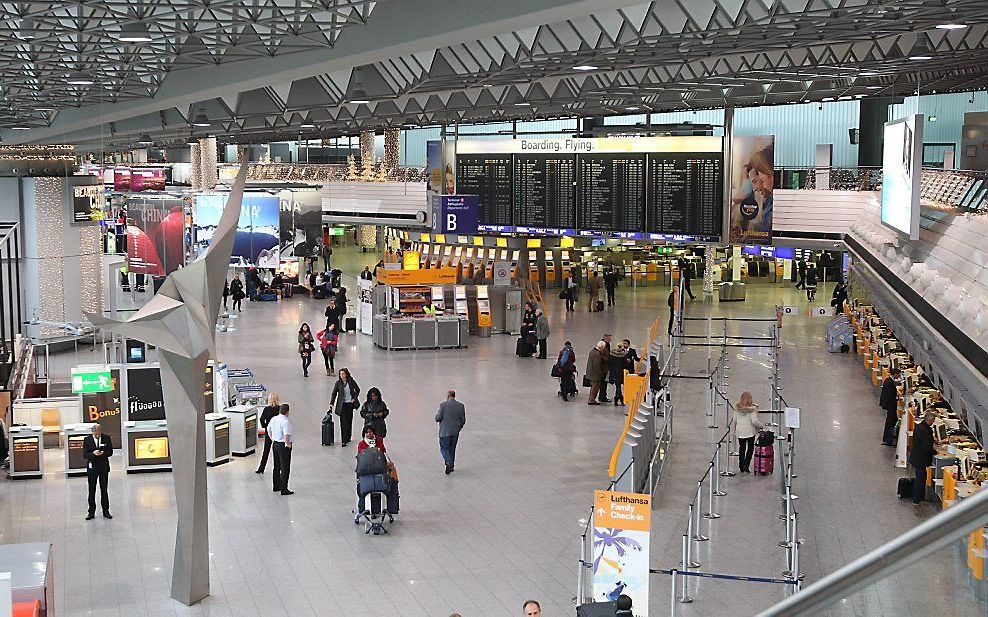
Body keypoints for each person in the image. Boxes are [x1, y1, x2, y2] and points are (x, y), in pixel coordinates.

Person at [83, 424, 113, 520]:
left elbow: (110, 452)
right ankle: (91, 512)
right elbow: (85, 454)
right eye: (95, 434)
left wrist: (103, 453)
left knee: (104, 489)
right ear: (92, 433)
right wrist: (93, 454)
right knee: (92, 490)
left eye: (99, 434)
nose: (97, 436)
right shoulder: (87, 440)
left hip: (103, 466)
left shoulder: (106, 438)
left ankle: (106, 511)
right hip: (92, 467)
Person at [435, 390, 466, 474]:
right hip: (455, 432)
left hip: (444, 432)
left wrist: (437, 417)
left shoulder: (443, 405)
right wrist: (459, 427)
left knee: (444, 448)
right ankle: (451, 466)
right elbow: (463, 420)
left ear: (448, 396)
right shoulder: (461, 406)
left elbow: (438, 418)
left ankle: (448, 462)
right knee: (452, 448)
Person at [909, 412, 937, 505]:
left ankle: (920, 497)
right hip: (920, 459)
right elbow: (925, 447)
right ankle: (916, 499)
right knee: (920, 479)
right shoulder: (925, 430)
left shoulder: (920, 427)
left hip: (917, 457)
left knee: (922, 477)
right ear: (930, 420)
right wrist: (935, 452)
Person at [734, 391, 764, 473]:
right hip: (750, 431)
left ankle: (741, 465)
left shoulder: (737, 408)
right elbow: (754, 421)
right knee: (750, 448)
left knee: (742, 448)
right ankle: (746, 465)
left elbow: (735, 420)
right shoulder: (752, 409)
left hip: (740, 431)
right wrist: (761, 426)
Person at [267, 404, 294, 495]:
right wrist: (288, 444)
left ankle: (276, 486)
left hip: (275, 444)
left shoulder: (274, 419)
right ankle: (284, 489)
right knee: (285, 467)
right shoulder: (286, 422)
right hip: (283, 446)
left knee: (277, 466)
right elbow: (286, 435)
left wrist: (272, 439)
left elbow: (268, 429)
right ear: (287, 412)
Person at [330, 368, 360, 446]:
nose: (342, 376)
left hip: (349, 404)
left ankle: (348, 436)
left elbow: (357, 389)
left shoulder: (351, 381)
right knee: (343, 422)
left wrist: (354, 398)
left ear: (346, 374)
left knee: (349, 421)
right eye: (340, 374)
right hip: (342, 405)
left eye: (343, 374)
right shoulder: (338, 383)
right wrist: (331, 403)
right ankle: (344, 440)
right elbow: (334, 393)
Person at [255, 393, 281, 473]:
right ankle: (278, 468)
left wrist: (265, 426)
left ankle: (261, 469)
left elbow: (262, 419)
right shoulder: (279, 409)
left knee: (266, 450)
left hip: (268, 432)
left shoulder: (266, 409)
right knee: (277, 451)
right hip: (277, 432)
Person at [880, 368, 901, 446]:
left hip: (890, 406)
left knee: (893, 421)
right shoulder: (889, 383)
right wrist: (897, 398)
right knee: (890, 422)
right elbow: (890, 396)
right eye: (898, 374)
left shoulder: (888, 380)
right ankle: (888, 439)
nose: (899, 376)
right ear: (895, 374)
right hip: (890, 406)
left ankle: (891, 438)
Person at [608, 340, 629, 406]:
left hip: (613, 372)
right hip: (620, 372)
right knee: (618, 385)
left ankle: (617, 397)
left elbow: (609, 363)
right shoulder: (623, 355)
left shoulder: (611, 354)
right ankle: (618, 397)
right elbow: (625, 365)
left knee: (617, 385)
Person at [586, 341, 606, 406]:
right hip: (595, 374)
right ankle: (592, 400)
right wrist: (600, 373)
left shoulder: (592, 351)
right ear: (602, 347)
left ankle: (591, 399)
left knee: (593, 387)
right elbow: (597, 365)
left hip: (590, 372)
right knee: (595, 387)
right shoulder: (597, 354)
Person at [598, 334, 612, 403]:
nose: (610, 340)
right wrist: (609, 359)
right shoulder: (603, 345)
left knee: (604, 383)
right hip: (604, 368)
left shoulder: (607, 344)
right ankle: (602, 397)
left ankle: (603, 396)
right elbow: (602, 356)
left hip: (605, 367)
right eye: (609, 338)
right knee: (603, 383)